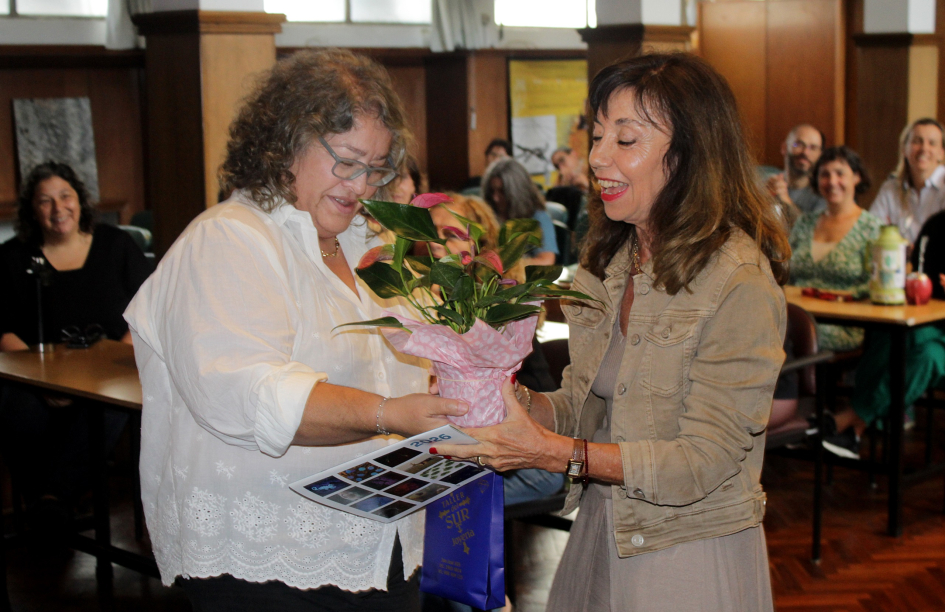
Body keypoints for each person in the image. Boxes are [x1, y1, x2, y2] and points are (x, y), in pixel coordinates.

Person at [435, 52, 789, 611]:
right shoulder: (609, 264)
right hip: (606, 526)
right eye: (597, 136)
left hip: (688, 549)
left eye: (626, 140)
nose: (597, 158)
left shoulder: (738, 281)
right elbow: (586, 406)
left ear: (690, 155)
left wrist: (558, 455)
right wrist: (503, 399)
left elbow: (704, 459)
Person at [123, 49, 467, 611]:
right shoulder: (229, 239)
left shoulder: (363, 243)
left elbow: (415, 355)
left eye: (377, 167)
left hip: (384, 538)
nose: (362, 185)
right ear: (285, 143)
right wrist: (388, 414)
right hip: (273, 556)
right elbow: (252, 393)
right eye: (348, 161)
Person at [0, 161, 151, 538]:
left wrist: (102, 368)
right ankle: (50, 501)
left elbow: (147, 313)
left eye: (65, 196)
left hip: (109, 371)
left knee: (110, 406)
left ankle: (53, 500)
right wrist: (44, 380)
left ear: (80, 200)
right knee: (14, 405)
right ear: (32, 209)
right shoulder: (12, 257)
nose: (57, 208)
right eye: (45, 201)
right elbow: (1, 328)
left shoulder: (117, 246)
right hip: (37, 376)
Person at [824, 209, 945, 459]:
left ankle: (849, 421)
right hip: (934, 323)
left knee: (928, 355)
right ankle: (854, 432)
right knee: (893, 336)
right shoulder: (937, 225)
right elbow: (922, 271)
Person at [789, 146, 882, 352]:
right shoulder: (804, 223)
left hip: (844, 325)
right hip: (797, 316)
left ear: (856, 177)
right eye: (825, 174)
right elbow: (786, 274)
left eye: (840, 174)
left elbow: (875, 287)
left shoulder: (872, 229)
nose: (832, 182)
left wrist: (832, 300)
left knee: (789, 338)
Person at [870, 118, 945, 245]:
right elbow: (872, 230)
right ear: (904, 148)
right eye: (917, 141)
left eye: (932, 143)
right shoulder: (890, 188)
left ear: (942, 153)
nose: (924, 148)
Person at [481, 157, 558, 266]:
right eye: (492, 191)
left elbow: (546, 261)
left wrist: (504, 265)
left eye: (502, 192)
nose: (495, 198)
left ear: (517, 193)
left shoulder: (538, 217)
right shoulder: (489, 213)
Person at [765, 124, 827, 217]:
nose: (805, 152)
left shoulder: (823, 193)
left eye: (813, 148)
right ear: (784, 148)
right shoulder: (763, 179)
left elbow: (811, 230)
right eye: (798, 144)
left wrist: (786, 200)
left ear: (820, 155)